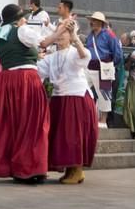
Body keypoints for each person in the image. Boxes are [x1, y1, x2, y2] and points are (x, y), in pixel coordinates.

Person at [0, 4, 68, 184]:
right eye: (23, 17)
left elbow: (15, 53)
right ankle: (30, 168)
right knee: (33, 123)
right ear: (18, 19)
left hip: (6, 80)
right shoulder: (22, 31)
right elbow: (44, 42)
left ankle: (15, 167)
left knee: (12, 125)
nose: (26, 19)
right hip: (25, 79)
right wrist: (61, 30)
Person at [37, 25, 98, 184]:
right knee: (61, 136)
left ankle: (77, 169)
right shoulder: (51, 57)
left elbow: (85, 56)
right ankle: (71, 170)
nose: (60, 36)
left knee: (73, 135)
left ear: (70, 36)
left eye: (64, 33)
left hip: (76, 97)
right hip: (59, 98)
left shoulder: (74, 52)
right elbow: (37, 72)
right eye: (58, 33)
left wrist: (75, 37)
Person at [85, 11, 123, 129]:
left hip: (104, 66)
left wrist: (110, 64)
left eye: (95, 20)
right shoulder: (89, 36)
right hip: (89, 66)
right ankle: (87, 117)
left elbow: (118, 53)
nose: (92, 22)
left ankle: (103, 120)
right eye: (92, 20)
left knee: (104, 94)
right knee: (82, 89)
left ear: (101, 23)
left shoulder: (109, 34)